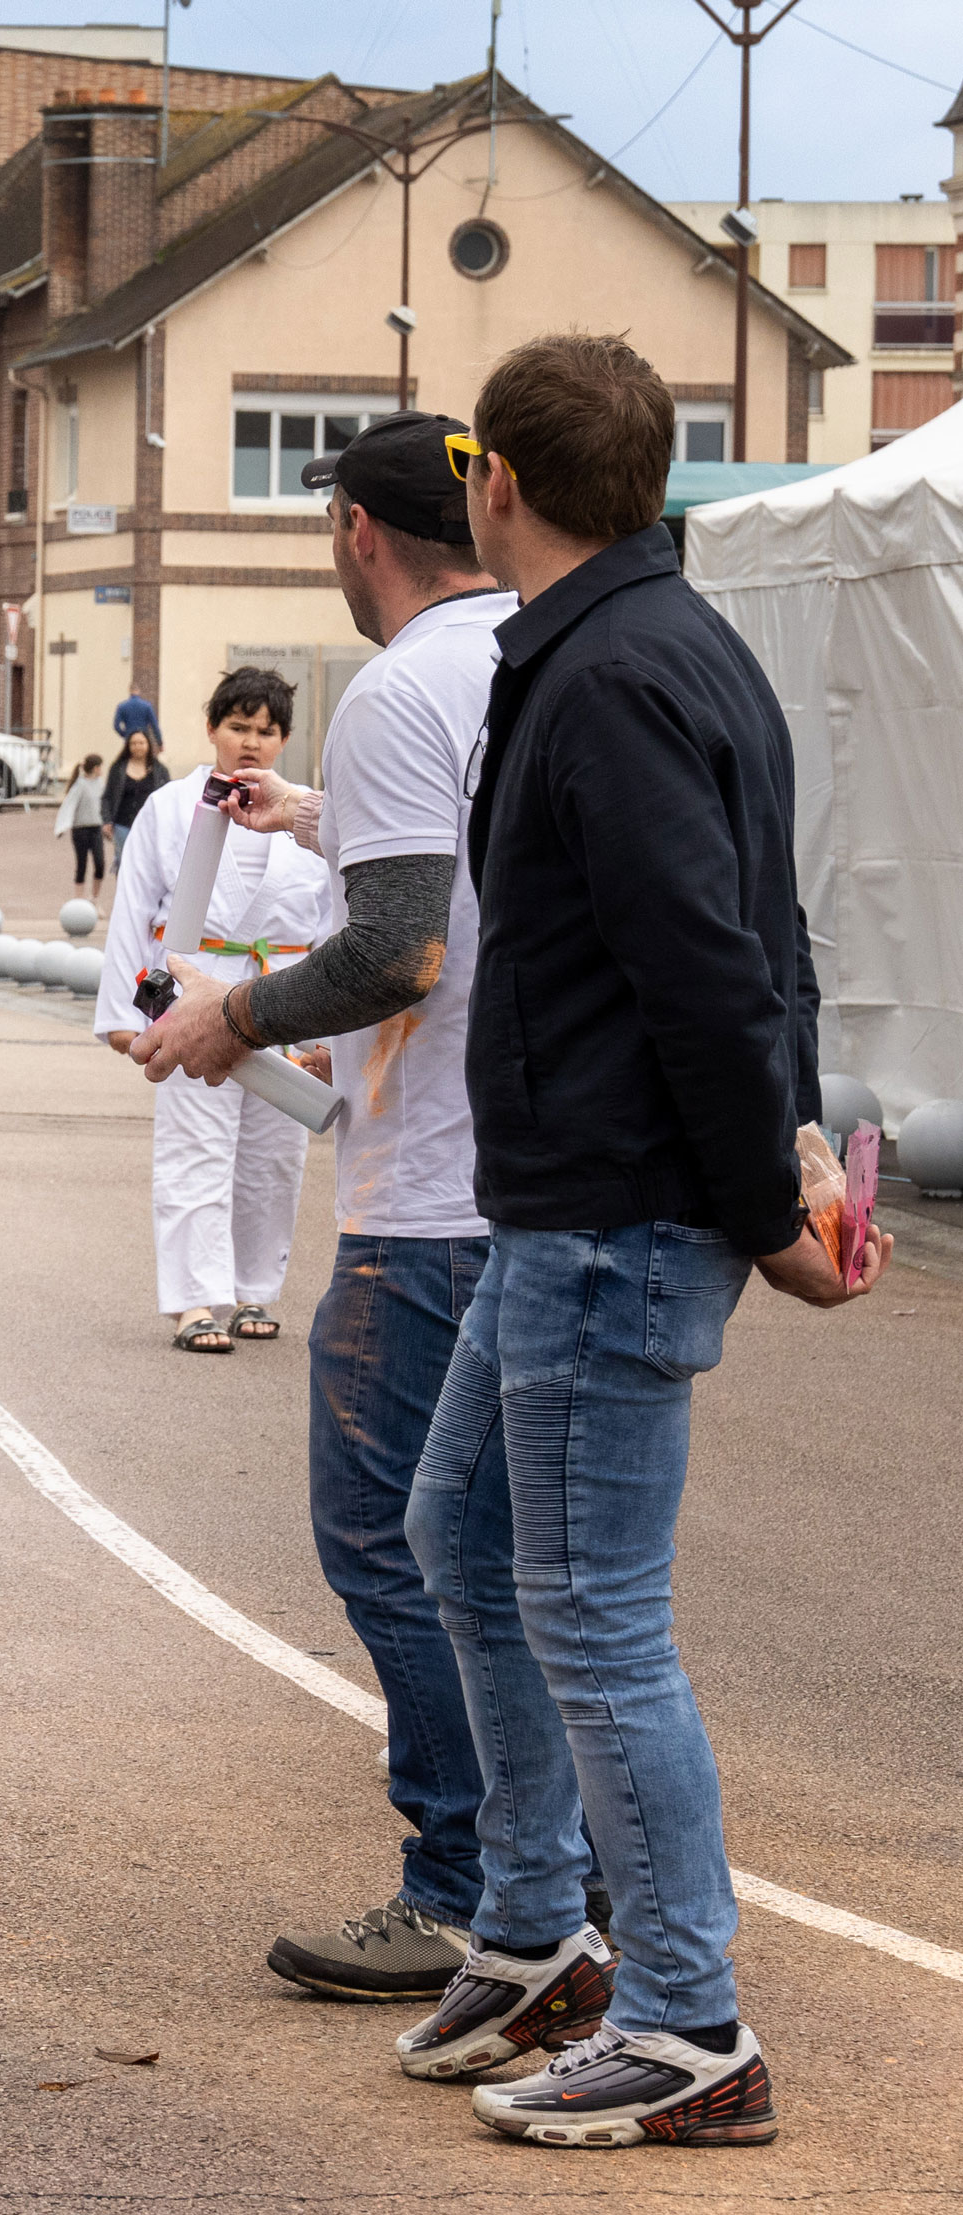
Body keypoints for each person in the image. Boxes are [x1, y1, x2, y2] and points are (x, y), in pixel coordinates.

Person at [386, 335, 881, 2145]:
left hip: (618, 1216)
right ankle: (537, 1935)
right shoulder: (654, 646)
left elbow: (709, 967)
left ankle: (688, 2020)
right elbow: (773, 932)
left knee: (595, 1620)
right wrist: (805, 1139)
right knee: (457, 1535)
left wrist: (771, 1210)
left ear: (493, 485)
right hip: (568, 1208)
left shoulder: (609, 675)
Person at [129, 413, 519, 2007]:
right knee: (529, 1560)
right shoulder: (561, 655)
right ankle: (554, 1887)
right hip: (552, 1169)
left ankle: (467, 1879)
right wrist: (318, 827)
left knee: (389, 1537)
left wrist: (232, 1019)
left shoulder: (404, 684)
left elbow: (401, 951)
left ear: (360, 529)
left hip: (432, 1185)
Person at [95, 671, 329, 1353]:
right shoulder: (170, 807)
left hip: (287, 985)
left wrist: (340, 1029)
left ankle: (256, 1285)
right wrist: (124, 1011)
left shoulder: (309, 813)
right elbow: (133, 910)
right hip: (198, 982)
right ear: (212, 728)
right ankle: (195, 1299)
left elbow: (336, 924)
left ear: (284, 738)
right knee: (196, 1141)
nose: (251, 741)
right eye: (239, 727)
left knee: (274, 1153)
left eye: (266, 730)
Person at [100, 725, 167, 876]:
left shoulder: (159, 770)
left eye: (141, 743)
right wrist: (107, 821)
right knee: (124, 865)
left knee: (148, 865)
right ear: (128, 746)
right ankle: (125, 898)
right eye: (133, 743)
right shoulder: (118, 769)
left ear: (148, 745)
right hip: (123, 825)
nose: (137, 747)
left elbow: (168, 798)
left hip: (150, 826)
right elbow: (107, 797)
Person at [55, 748, 109, 887]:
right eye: (100, 767)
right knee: (82, 865)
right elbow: (68, 806)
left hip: (96, 828)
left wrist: (107, 823)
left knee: (100, 864)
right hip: (81, 830)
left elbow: (104, 804)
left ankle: (94, 899)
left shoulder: (100, 783)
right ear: (96, 768)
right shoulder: (80, 785)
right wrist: (62, 826)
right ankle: (79, 900)